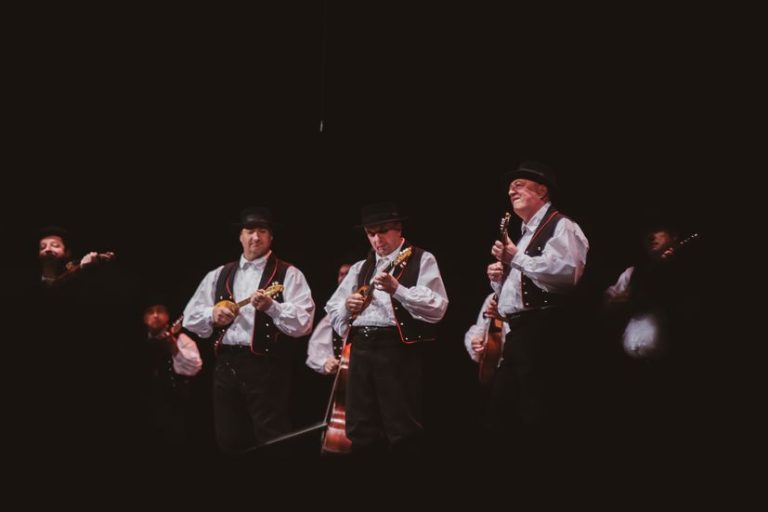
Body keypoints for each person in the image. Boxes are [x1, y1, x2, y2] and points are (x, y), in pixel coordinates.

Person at [182, 207, 315, 455]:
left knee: (272, 437)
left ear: (271, 237)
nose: (255, 237)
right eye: (250, 231)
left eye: (262, 231)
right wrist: (212, 314)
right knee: (229, 438)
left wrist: (272, 307)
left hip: (267, 366)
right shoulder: (219, 274)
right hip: (226, 365)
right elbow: (189, 317)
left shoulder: (288, 274)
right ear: (240, 236)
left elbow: (304, 323)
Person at [325, 202, 448, 456]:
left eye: (382, 231)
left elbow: (437, 306)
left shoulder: (421, 259)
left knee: (401, 425)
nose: (377, 240)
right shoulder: (361, 267)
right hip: (361, 347)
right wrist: (348, 306)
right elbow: (333, 308)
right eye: (371, 233)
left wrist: (398, 290)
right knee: (359, 425)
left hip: (396, 347)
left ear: (398, 229)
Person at [486, 161, 589, 452]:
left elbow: (567, 274)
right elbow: (518, 291)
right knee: (502, 410)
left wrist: (516, 259)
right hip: (519, 332)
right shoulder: (524, 235)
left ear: (542, 191)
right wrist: (499, 278)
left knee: (535, 409)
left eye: (518, 185)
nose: (511, 191)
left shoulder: (561, 225)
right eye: (510, 188)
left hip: (544, 329)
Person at [306, 262, 352, 375]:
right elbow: (315, 348)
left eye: (348, 274)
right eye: (341, 274)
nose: (344, 278)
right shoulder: (334, 311)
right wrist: (325, 362)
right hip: (345, 375)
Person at [464, 293, 510, 367]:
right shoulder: (493, 298)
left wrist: (506, 318)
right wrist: (477, 342)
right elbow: (481, 330)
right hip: (498, 367)